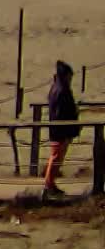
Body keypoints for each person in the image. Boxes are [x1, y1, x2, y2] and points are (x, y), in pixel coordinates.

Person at [44, 61, 80, 196]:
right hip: (60, 129)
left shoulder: (58, 88)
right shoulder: (61, 90)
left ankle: (51, 184)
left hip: (59, 129)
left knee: (57, 157)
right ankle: (48, 185)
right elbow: (61, 112)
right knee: (56, 157)